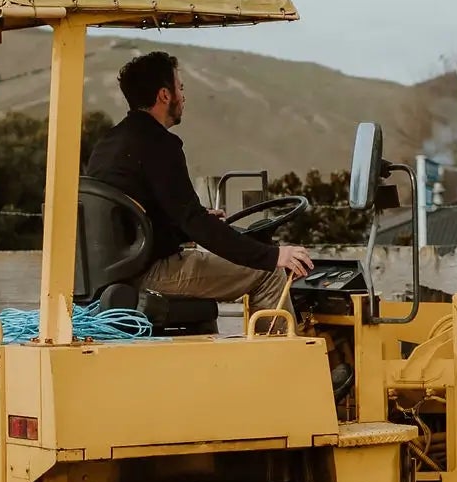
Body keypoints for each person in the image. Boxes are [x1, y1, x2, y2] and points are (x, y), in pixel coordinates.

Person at [82, 49, 318, 303]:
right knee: (269, 274)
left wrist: (190, 228)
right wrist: (273, 256)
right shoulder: (160, 145)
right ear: (164, 95)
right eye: (180, 88)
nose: (183, 97)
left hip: (110, 275)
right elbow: (195, 222)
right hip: (148, 273)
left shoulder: (108, 143)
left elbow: (137, 221)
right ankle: (279, 343)